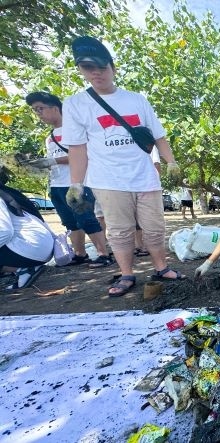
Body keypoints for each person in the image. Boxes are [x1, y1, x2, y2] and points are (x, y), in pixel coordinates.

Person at [61, 36, 184, 297]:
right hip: (108, 179)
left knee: (154, 227)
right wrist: (76, 182)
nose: (96, 73)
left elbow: (159, 135)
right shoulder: (75, 104)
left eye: (102, 68)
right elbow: (77, 148)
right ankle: (127, 273)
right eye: (88, 68)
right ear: (81, 70)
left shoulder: (137, 100)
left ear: (113, 68)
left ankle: (161, 267)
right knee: (119, 231)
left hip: (145, 176)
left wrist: (170, 162)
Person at [25, 91, 112, 268]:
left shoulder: (75, 130)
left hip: (76, 183)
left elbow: (83, 155)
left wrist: (53, 160)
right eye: (35, 110)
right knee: (69, 222)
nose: (38, 114)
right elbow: (55, 160)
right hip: (56, 184)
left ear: (55, 108)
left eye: (40, 109)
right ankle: (80, 254)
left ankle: (104, 254)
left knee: (86, 218)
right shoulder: (49, 137)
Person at [1, 183, 53, 291]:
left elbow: (5, 232)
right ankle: (22, 269)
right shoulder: (6, 192)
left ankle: (23, 269)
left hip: (31, 248)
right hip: (41, 247)